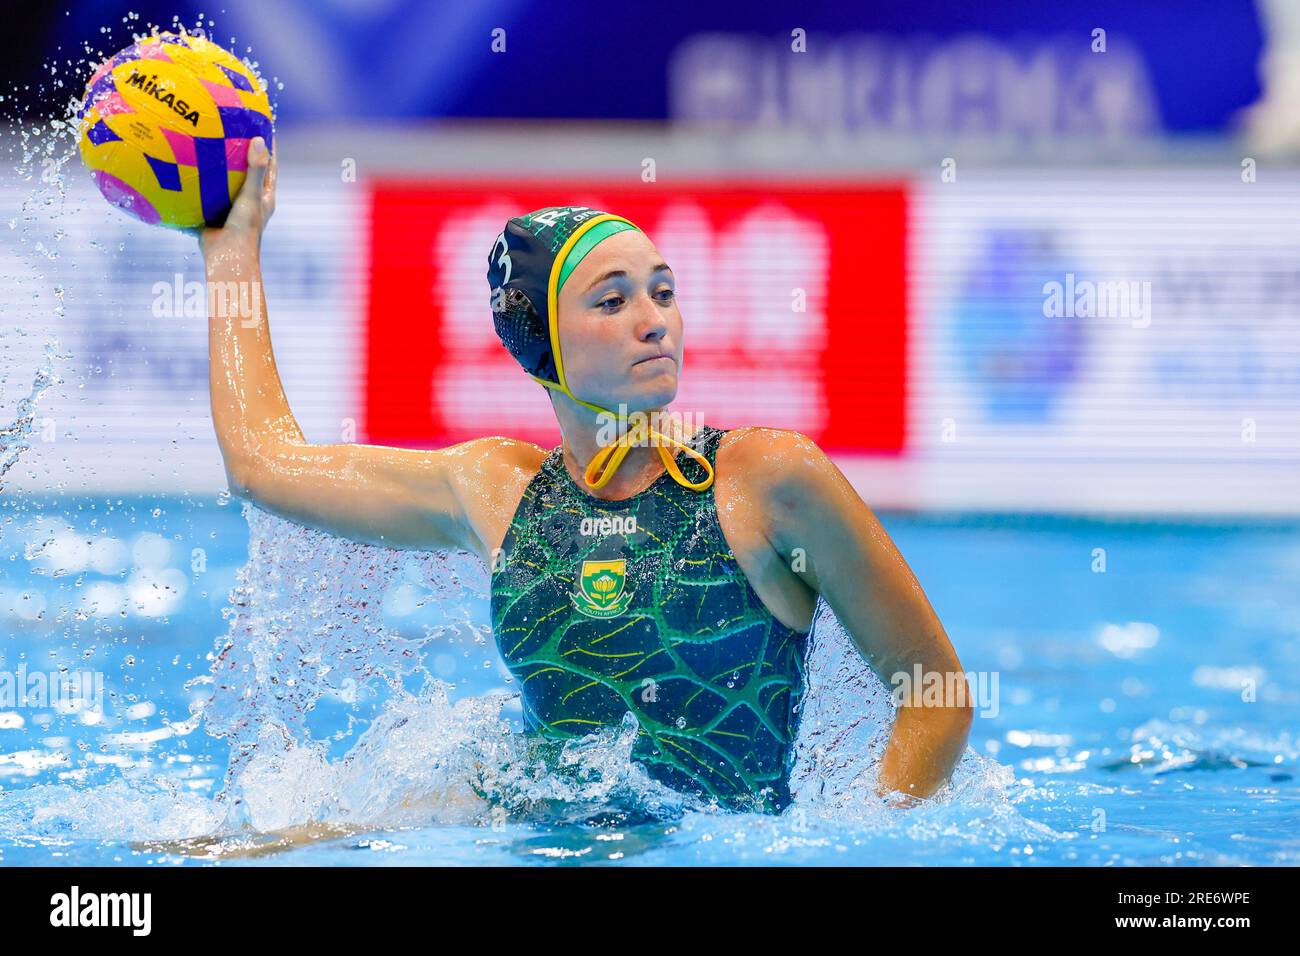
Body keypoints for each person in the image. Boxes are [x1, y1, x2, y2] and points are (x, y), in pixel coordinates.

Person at [199, 136, 972, 814]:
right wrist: (231, 250)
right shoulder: (497, 489)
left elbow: (935, 697)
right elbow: (263, 467)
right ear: (543, 342)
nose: (654, 318)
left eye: (663, 292)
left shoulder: (764, 479)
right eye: (613, 300)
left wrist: (873, 842)